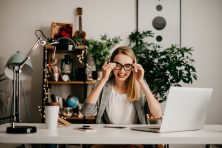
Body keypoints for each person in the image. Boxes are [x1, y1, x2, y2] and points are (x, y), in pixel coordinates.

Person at [81, 46, 162, 124]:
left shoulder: (140, 85)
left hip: (136, 136)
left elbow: (157, 114)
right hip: (107, 136)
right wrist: (103, 79)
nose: (122, 71)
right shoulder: (101, 85)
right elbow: (86, 112)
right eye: (118, 65)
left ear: (133, 66)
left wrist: (141, 81)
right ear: (110, 64)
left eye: (127, 66)